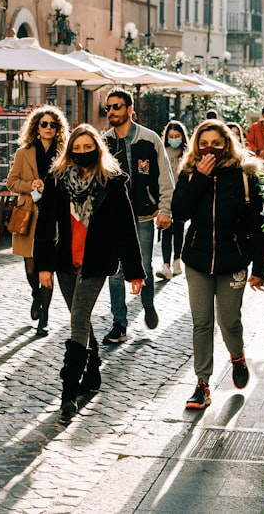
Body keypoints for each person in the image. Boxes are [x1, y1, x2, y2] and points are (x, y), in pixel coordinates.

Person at [34, 124, 145, 422]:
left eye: (88, 148)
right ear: (70, 151)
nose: (83, 153)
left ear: (97, 149)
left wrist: (135, 272)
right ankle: (93, 371)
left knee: (79, 320)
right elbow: (45, 225)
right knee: (78, 318)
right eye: (77, 148)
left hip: (96, 261)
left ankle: (68, 394)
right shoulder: (57, 180)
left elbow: (125, 228)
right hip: (65, 261)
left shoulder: (112, 181)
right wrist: (43, 265)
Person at [172, 119, 264, 410]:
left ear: (227, 143)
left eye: (216, 143)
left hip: (233, 260)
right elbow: (179, 213)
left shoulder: (244, 174)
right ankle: (202, 385)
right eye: (204, 144)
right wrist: (200, 178)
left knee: (229, 321)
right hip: (198, 260)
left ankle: (237, 357)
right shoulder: (190, 173)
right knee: (201, 323)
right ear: (196, 146)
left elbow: (258, 225)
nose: (209, 149)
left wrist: (260, 268)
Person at [101, 89, 174, 343]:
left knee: (142, 267)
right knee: (115, 271)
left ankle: (148, 303)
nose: (111, 112)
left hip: (143, 216)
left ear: (131, 109)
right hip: (114, 219)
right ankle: (119, 323)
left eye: (117, 107)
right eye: (108, 107)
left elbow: (165, 177)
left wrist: (165, 209)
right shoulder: (104, 142)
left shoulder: (150, 139)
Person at [6, 105, 69, 337]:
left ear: (58, 128)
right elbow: (11, 182)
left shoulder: (64, 152)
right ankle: (36, 295)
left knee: (47, 266)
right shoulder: (24, 153)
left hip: (54, 215)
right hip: (29, 215)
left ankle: (45, 316)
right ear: (36, 127)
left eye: (53, 124)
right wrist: (30, 185)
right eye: (44, 124)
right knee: (31, 267)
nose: (48, 128)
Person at [156, 120, 188, 280]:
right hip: (166, 198)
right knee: (166, 232)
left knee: (179, 230)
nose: (174, 138)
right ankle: (166, 264)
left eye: (177, 136)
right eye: (171, 136)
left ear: (182, 137)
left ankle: (177, 260)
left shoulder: (186, 153)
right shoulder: (163, 152)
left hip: (182, 198)